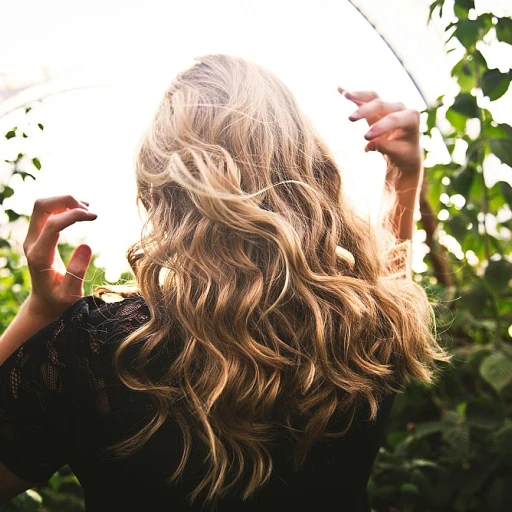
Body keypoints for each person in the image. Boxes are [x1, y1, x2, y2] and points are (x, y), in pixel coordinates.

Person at [0, 55, 448, 511]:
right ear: (305, 166)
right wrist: (405, 176)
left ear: (161, 188)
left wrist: (39, 313)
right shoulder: (369, 325)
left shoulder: (96, 349)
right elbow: (390, 287)